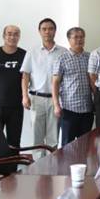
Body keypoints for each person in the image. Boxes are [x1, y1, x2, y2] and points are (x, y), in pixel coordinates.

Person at [20, 18, 67, 154]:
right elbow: (25, 75)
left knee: (53, 137)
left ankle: (52, 164)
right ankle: (38, 165)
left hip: (55, 100)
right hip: (36, 99)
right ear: (39, 31)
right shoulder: (32, 51)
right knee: (37, 137)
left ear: (55, 31)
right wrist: (24, 96)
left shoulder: (63, 52)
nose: (47, 32)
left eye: (50, 29)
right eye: (44, 29)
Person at [52, 27, 94, 146]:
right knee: (67, 146)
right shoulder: (62, 58)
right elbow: (55, 82)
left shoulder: (90, 57)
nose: (79, 40)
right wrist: (56, 105)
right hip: (69, 109)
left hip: (87, 109)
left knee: (85, 145)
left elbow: (94, 81)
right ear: (69, 39)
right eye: (75, 37)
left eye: (81, 37)